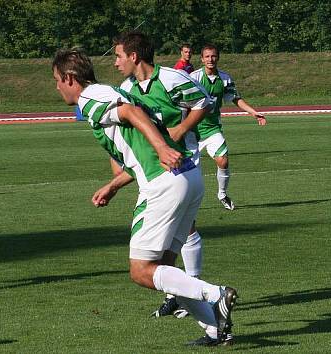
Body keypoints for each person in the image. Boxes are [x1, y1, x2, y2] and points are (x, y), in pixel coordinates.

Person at [52, 48, 238, 346]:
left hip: (164, 182)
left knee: (140, 271)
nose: (56, 87)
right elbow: (137, 144)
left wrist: (162, 149)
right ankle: (215, 330)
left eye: (57, 80)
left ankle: (216, 294)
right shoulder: (111, 91)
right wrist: (114, 185)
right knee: (163, 266)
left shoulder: (90, 98)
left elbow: (130, 112)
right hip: (187, 177)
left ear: (69, 78)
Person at [112, 31, 211, 324]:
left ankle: (201, 292)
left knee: (184, 232)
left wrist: (180, 130)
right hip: (156, 169)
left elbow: (203, 102)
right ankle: (182, 297)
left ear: (134, 56)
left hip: (182, 164)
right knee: (166, 250)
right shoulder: (126, 88)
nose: (115, 62)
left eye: (118, 56)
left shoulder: (170, 79)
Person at [190, 44, 267, 210]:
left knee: (223, 161)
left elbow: (235, 98)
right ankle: (183, 201)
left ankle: (222, 194)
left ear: (218, 57)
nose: (211, 59)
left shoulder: (225, 78)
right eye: (207, 56)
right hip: (191, 130)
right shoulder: (193, 77)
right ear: (202, 59)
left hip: (212, 129)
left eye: (214, 56)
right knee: (188, 170)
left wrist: (253, 112)